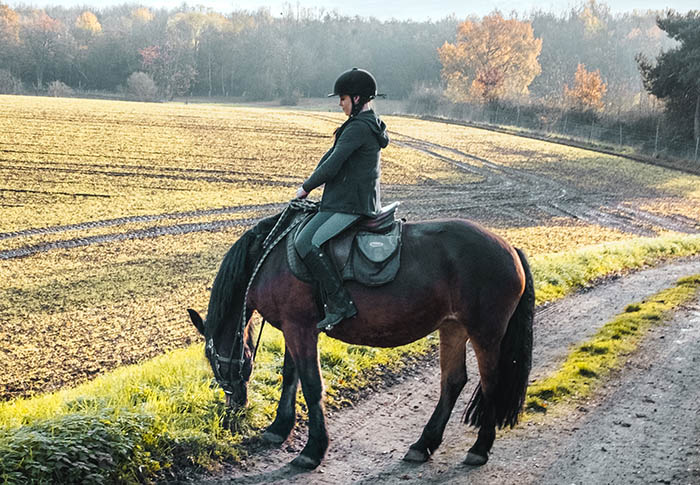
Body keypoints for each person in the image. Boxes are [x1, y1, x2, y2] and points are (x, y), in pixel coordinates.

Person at [294, 68, 390, 331]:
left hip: (351, 205)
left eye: (343, 98)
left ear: (357, 99)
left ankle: (339, 303)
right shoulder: (362, 124)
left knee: (305, 242)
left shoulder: (359, 128)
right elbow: (329, 157)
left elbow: (332, 166)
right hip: (347, 200)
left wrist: (305, 189)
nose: (340, 103)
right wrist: (310, 183)